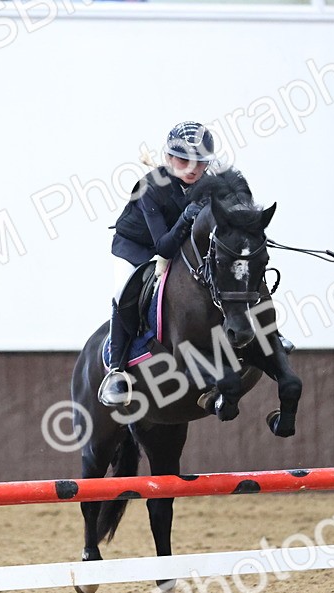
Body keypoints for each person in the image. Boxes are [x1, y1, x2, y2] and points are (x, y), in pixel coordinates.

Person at [98, 121, 215, 407]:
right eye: (183, 160)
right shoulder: (150, 187)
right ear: (168, 159)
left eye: (199, 162)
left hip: (178, 246)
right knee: (123, 293)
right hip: (136, 248)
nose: (192, 168)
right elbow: (162, 246)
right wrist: (187, 217)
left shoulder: (209, 184)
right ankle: (116, 370)